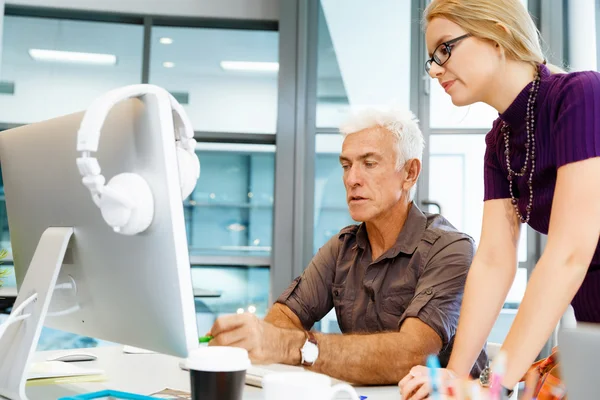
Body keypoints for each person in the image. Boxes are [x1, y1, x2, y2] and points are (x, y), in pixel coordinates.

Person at [399, 0, 600, 399]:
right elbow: (493, 260)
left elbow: (570, 252)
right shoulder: (499, 144)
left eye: (445, 48)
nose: (436, 68)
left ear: (497, 35)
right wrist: (454, 378)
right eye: (431, 59)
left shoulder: (582, 96)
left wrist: (493, 387)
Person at [207, 107, 487, 385]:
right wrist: (257, 338)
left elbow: (412, 354)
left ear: (410, 173)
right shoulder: (343, 247)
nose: (352, 179)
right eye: (346, 165)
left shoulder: (450, 248)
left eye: (369, 163)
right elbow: (280, 323)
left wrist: (296, 347)